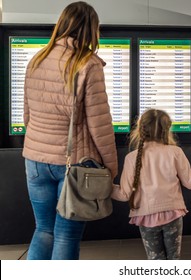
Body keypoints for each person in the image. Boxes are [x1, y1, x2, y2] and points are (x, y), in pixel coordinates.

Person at [23, 1, 118, 260]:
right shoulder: (88, 64)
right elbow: (100, 125)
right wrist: (111, 167)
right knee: (66, 235)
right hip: (73, 164)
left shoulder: (37, 58)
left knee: (43, 230)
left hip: (33, 159)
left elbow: (27, 114)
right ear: (90, 29)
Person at [112, 109, 191, 260]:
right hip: (173, 213)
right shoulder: (175, 152)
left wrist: (105, 188)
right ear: (167, 130)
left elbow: (124, 194)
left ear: (140, 129)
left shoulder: (131, 158)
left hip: (146, 216)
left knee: (156, 261)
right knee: (174, 258)